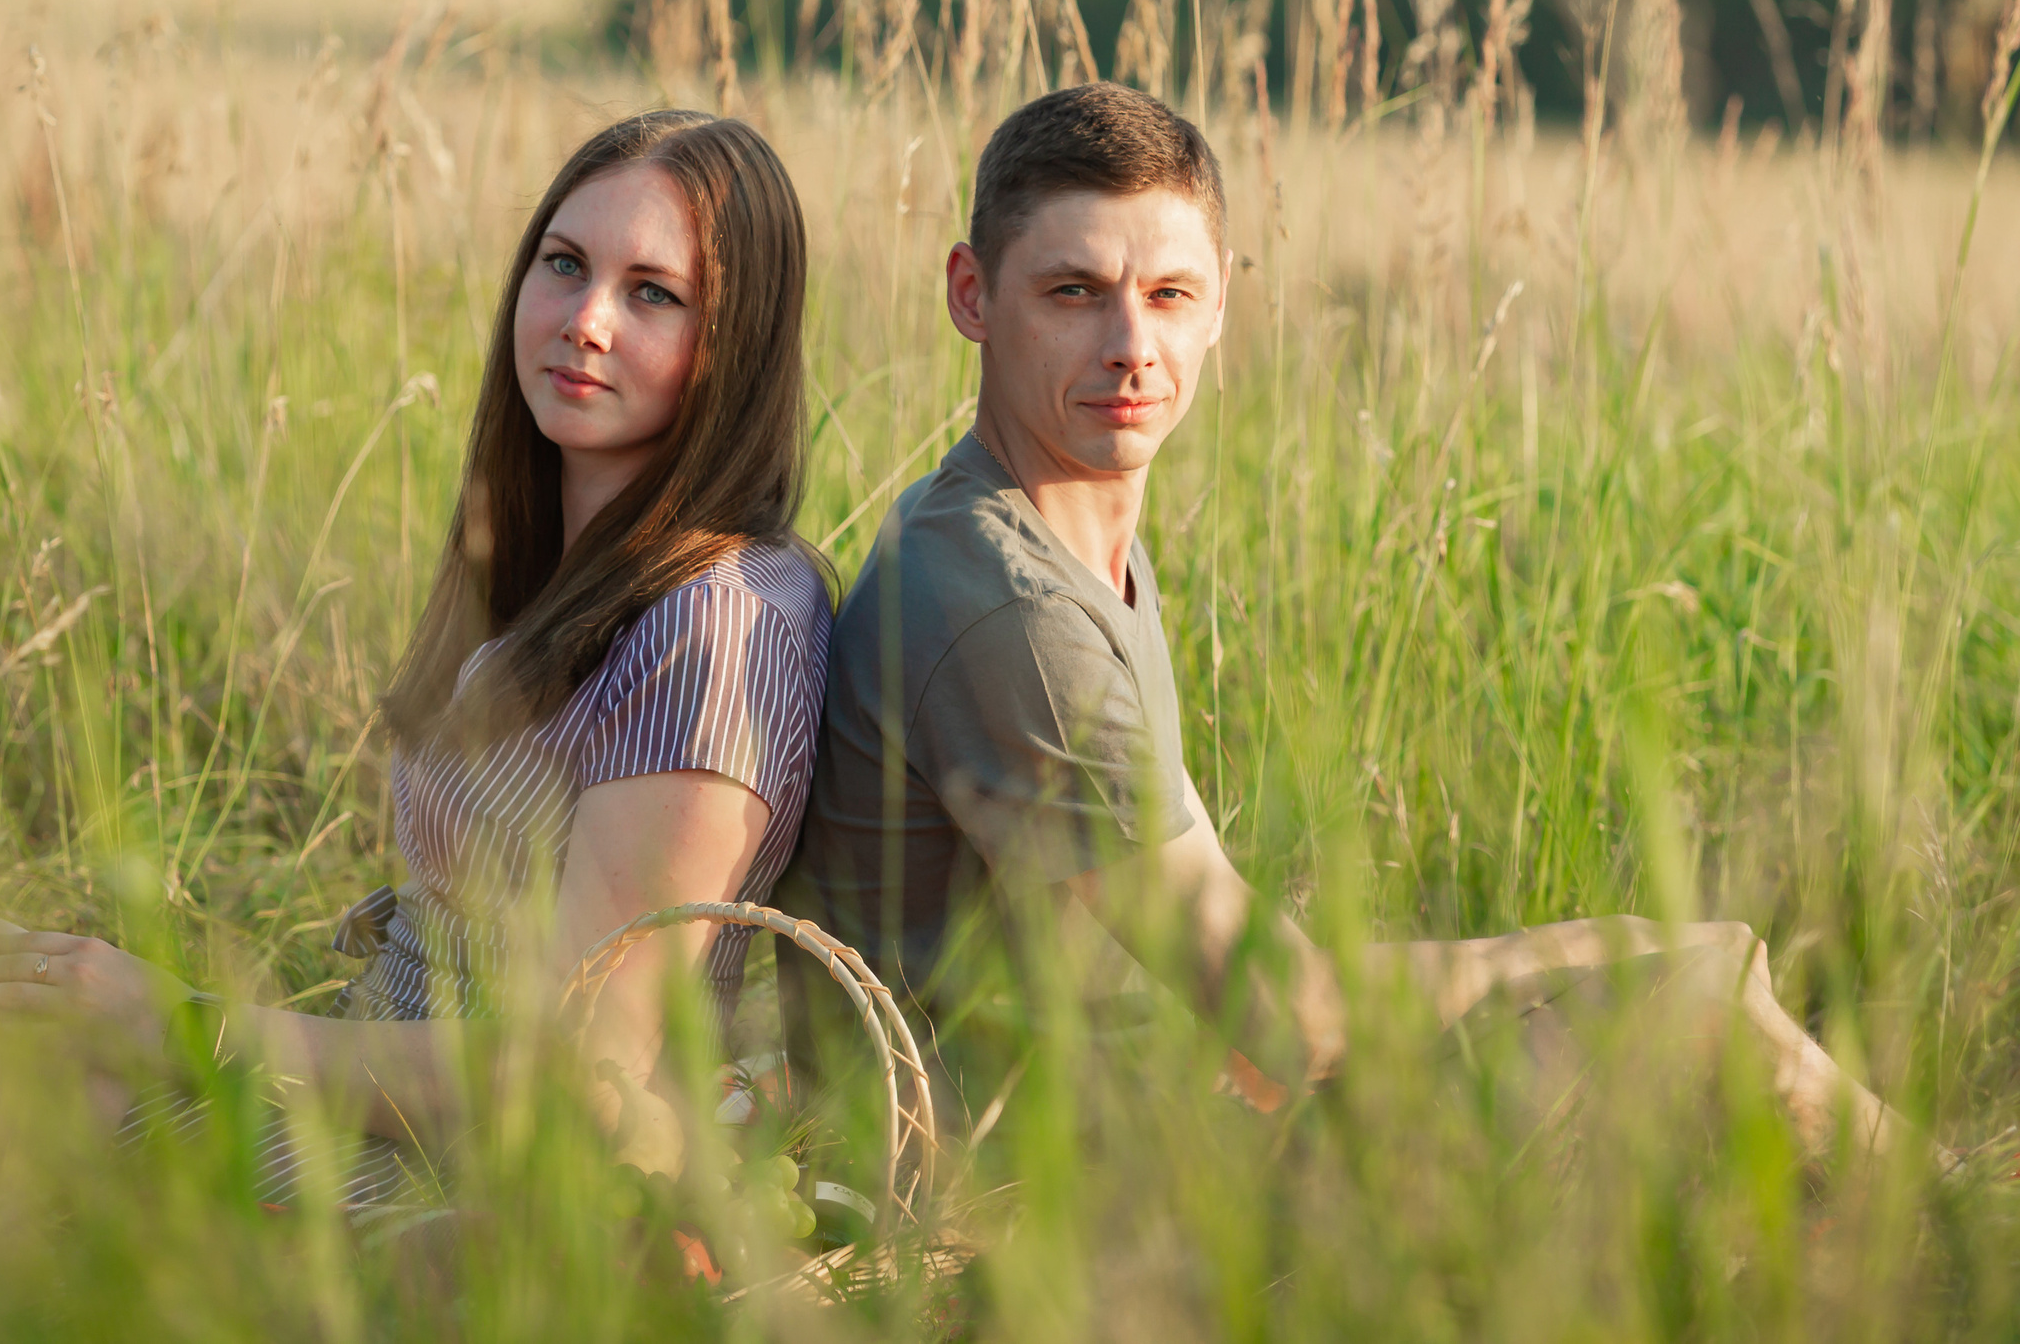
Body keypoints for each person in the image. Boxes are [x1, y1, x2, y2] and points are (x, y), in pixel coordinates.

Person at [0, 108, 832, 1199]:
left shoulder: (718, 621)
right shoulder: (565, 568)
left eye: (651, 292)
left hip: (435, 1175)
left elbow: (575, 1071)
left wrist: (181, 1017)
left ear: (735, 344)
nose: (585, 317)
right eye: (563, 262)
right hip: (355, 1088)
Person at [776, 82, 1912, 1163]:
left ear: (1222, 301)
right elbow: (1289, 1013)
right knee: (1697, 993)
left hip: (1148, 1110)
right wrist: (1624, 945)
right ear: (971, 294)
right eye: (1072, 292)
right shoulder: (1000, 603)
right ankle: (1955, 1217)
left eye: (1169, 295)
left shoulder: (1059, 539)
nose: (1131, 344)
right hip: (1054, 1188)